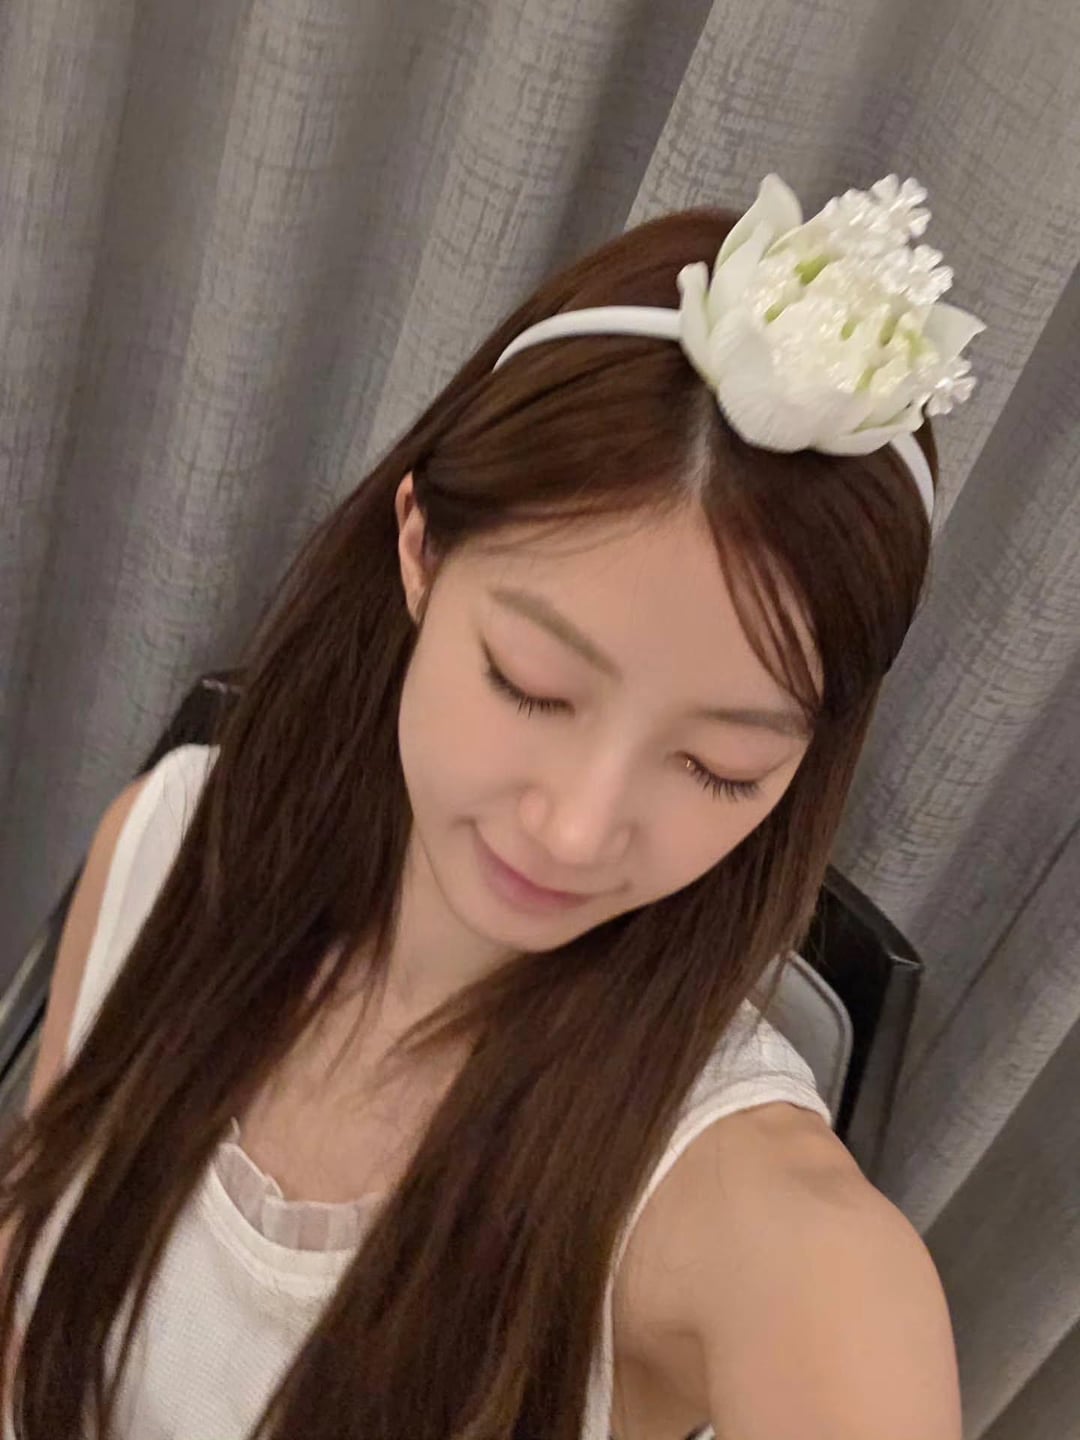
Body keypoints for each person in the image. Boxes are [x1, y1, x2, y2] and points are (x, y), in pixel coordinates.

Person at [0, 172, 979, 1439]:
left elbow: (841, 1317)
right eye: (531, 685)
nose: (575, 829)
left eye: (717, 767)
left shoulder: (751, 1227)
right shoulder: (174, 839)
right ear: (420, 548)